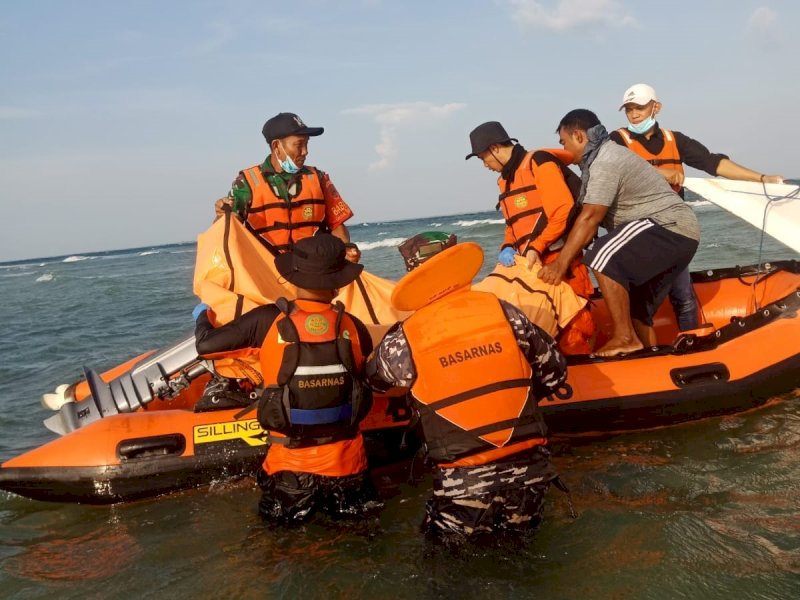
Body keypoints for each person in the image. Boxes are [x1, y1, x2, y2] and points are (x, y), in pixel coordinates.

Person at [366, 241, 567, 542]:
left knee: (446, 566)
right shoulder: (502, 310)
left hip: (463, 481)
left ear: (413, 277)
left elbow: (375, 381)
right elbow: (554, 372)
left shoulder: (407, 335)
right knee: (521, 551)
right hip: (531, 470)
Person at [194, 234, 381, 523]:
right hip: (348, 467)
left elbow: (206, 346)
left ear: (293, 276)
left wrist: (203, 317)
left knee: (283, 550)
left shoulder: (267, 320)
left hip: (289, 470)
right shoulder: (353, 326)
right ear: (339, 283)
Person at [611, 83, 784, 330]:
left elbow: (713, 163)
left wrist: (761, 178)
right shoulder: (617, 140)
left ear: (656, 107)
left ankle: (690, 344)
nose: (634, 113)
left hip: (674, 230)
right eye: (629, 109)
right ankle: (641, 351)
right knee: (642, 301)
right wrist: (659, 172)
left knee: (684, 297)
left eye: (639, 107)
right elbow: (616, 168)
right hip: (640, 231)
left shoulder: (675, 139)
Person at [539, 109, 700, 357]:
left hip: (667, 225)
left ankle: (624, 338)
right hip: (680, 234)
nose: (564, 149)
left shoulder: (605, 160)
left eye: (564, 142)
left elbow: (591, 217)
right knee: (636, 308)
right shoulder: (598, 162)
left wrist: (560, 264)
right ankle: (651, 359)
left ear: (579, 137)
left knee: (600, 254)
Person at [465, 121, 595, 354]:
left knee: (574, 323)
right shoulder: (505, 180)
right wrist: (507, 246)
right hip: (533, 264)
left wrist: (537, 245)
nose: (485, 165)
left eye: (483, 158)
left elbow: (562, 210)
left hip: (561, 259)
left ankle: (585, 373)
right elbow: (513, 224)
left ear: (495, 148)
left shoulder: (539, 163)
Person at [216, 112, 359, 261]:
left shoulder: (319, 178)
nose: (305, 151)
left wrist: (346, 251)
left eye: (307, 143)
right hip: (267, 272)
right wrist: (222, 214)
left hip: (315, 270)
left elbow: (337, 223)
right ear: (276, 146)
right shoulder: (246, 182)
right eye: (298, 145)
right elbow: (227, 227)